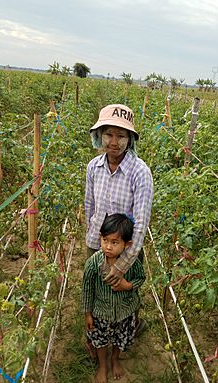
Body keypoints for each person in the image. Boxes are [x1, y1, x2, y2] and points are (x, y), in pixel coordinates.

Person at [85, 103, 153, 332]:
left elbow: (141, 222)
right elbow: (90, 206)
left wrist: (124, 263)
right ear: (99, 136)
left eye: (121, 135)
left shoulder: (140, 172)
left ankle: (129, 327)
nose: (114, 142)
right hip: (97, 242)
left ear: (130, 139)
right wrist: (92, 237)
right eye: (108, 134)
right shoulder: (93, 167)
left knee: (125, 290)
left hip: (126, 247)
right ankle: (98, 330)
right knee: (97, 288)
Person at [82, 213, 145, 383]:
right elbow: (86, 290)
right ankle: (103, 365)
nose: (108, 246)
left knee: (120, 339)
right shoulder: (93, 264)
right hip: (100, 313)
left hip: (125, 312)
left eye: (114, 242)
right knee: (100, 340)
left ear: (127, 245)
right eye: (104, 240)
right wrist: (87, 314)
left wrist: (127, 285)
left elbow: (141, 278)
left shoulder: (131, 264)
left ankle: (115, 359)